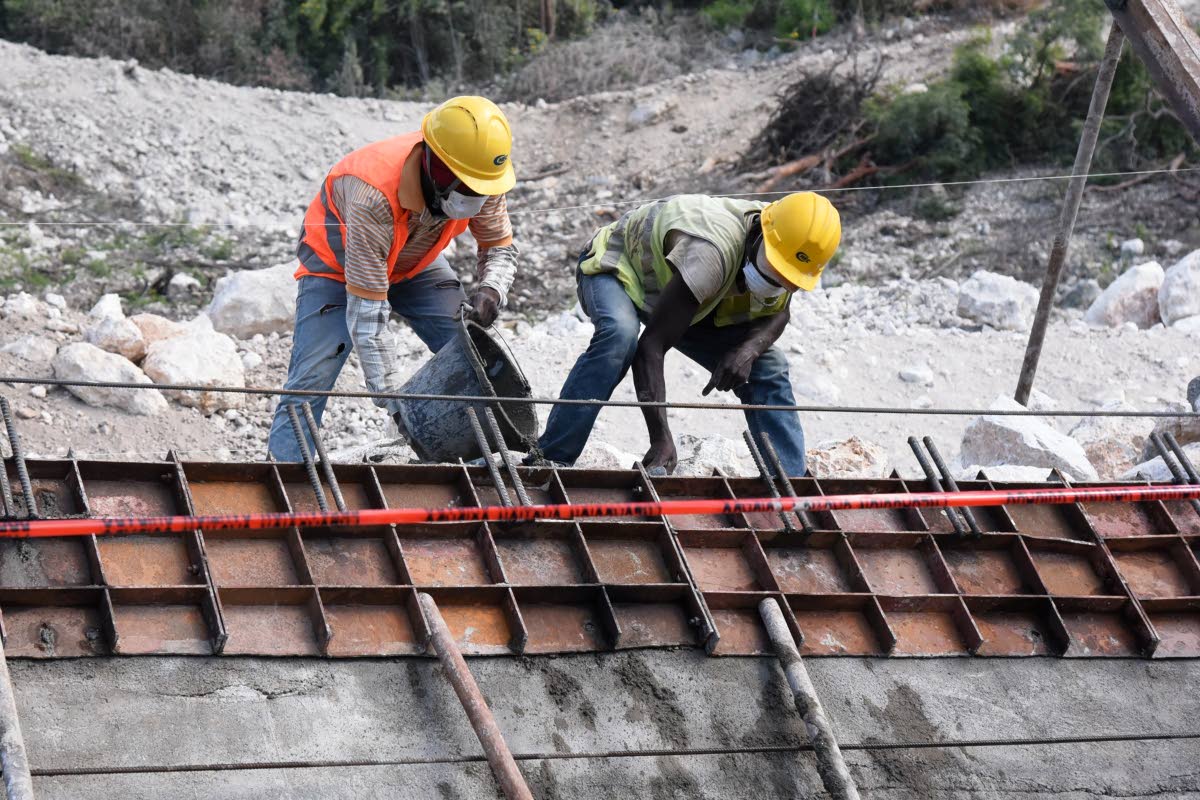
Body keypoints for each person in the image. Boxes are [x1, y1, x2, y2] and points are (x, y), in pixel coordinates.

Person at [267, 96, 519, 461]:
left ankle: (479, 453)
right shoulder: (372, 193)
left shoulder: (486, 175)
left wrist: (492, 290)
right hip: (336, 268)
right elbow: (368, 318)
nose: (476, 196)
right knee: (312, 377)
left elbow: (498, 246)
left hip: (414, 263)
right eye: (467, 186)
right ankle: (284, 474)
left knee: (470, 351)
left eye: (481, 188)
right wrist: (397, 406)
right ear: (436, 164)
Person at [533, 192, 841, 476]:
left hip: (697, 297)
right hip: (622, 266)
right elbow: (651, 346)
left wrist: (749, 349)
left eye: (786, 278)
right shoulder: (712, 252)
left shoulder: (792, 248)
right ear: (760, 234)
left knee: (769, 367)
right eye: (773, 269)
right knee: (620, 336)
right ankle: (552, 457)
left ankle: (786, 485)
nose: (777, 281)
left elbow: (780, 312)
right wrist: (661, 438)